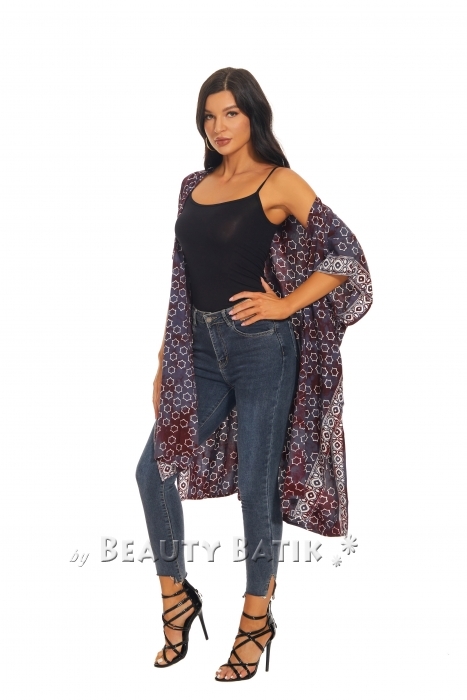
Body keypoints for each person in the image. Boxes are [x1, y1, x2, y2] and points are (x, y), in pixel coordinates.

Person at [136, 67, 373, 682]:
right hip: (198, 349)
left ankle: (255, 618)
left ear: (253, 116)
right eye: (209, 116)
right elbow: (181, 280)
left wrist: (286, 304)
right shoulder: (193, 186)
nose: (218, 127)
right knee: (153, 469)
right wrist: (165, 360)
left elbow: (346, 254)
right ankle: (176, 599)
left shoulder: (279, 181)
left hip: (261, 347)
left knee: (256, 484)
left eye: (230, 114)